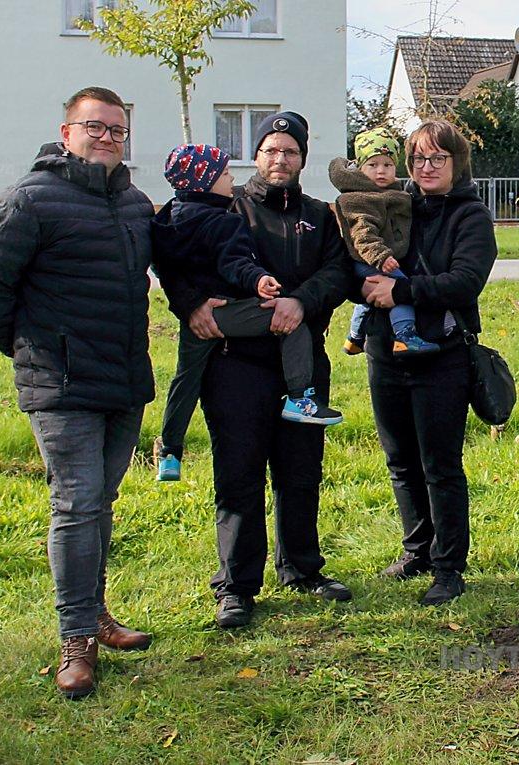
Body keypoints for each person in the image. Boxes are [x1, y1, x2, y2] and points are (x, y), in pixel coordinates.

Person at [0, 87, 154, 698]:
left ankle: (95, 614)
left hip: (122, 381)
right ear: (66, 131)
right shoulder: (30, 199)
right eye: (94, 127)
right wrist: (33, 352)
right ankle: (75, 640)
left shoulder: (133, 203)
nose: (106, 138)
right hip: (62, 384)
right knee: (75, 504)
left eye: (117, 131)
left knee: (99, 504)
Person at [157, 111, 356, 629]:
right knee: (238, 474)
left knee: (300, 471)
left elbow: (338, 273)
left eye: (290, 151)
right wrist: (192, 305)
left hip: (302, 362)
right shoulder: (226, 206)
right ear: (257, 155)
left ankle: (302, 569)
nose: (280, 159)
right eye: (271, 149)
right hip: (234, 365)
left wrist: (301, 302)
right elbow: (174, 260)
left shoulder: (319, 215)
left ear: (302, 159)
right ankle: (237, 587)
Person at [360, 120, 498, 606]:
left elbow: (464, 282)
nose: (425, 167)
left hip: (442, 356)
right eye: (417, 158)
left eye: (437, 158)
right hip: (386, 352)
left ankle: (448, 567)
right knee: (400, 462)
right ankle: (417, 549)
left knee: (440, 465)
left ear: (457, 163)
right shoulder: (397, 206)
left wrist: (400, 290)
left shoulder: (471, 216)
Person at [152, 143, 342, 482]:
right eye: (225, 174)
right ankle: (300, 398)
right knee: (289, 323)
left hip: (204, 327)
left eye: (291, 151)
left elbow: (164, 263)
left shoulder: (168, 216)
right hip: (230, 334)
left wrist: (191, 304)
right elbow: (235, 261)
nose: (231, 179)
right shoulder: (227, 216)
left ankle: (170, 450)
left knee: (185, 380)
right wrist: (258, 281)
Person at [329, 128, 439, 356]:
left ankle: (354, 338)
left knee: (370, 297)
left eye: (387, 165)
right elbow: (363, 233)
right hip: (369, 258)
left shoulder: (385, 193)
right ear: (360, 168)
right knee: (398, 288)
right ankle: (405, 335)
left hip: (372, 259)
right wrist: (381, 257)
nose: (381, 171)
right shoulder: (360, 198)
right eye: (373, 165)